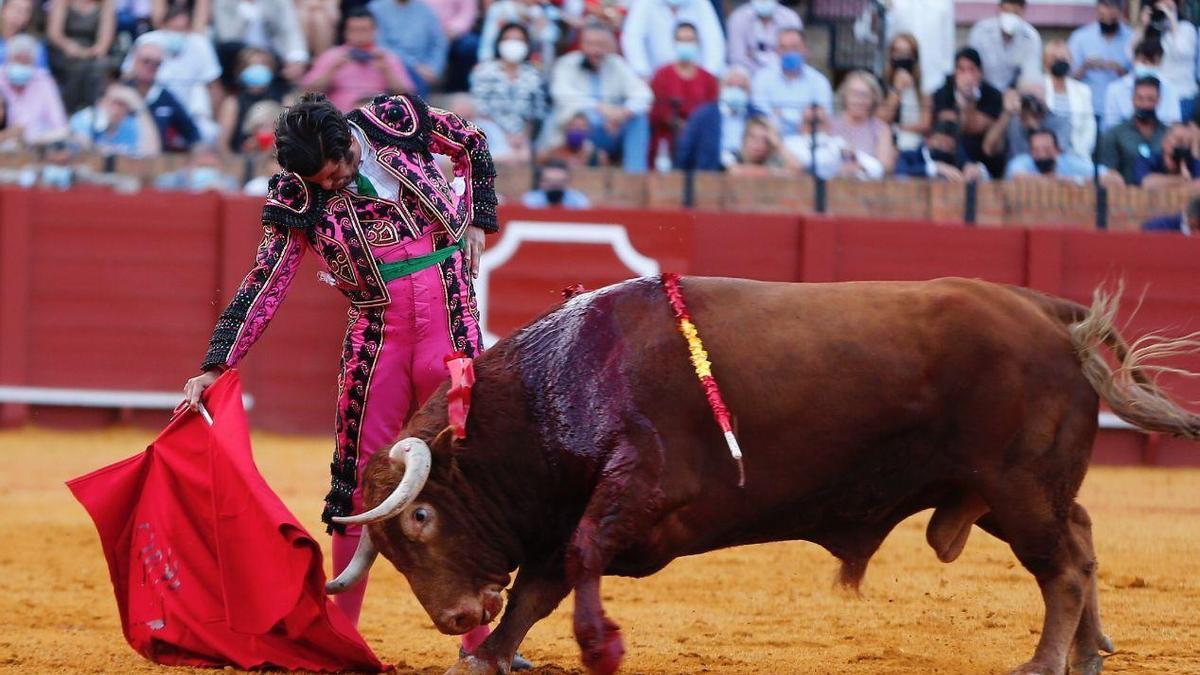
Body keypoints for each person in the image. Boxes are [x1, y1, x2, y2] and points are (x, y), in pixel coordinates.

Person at [179, 91, 535, 669]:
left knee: (469, 469)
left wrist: (478, 217)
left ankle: (483, 643)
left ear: (349, 141)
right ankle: (341, 639)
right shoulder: (298, 193)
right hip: (378, 336)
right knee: (356, 479)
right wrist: (216, 363)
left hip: (450, 313)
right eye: (318, 181)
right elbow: (266, 279)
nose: (331, 186)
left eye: (335, 171)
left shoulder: (394, 120)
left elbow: (472, 142)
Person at [548, 22, 651, 173]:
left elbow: (644, 95)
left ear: (610, 46)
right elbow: (560, 94)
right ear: (581, 44)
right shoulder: (567, 63)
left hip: (611, 129)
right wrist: (600, 108)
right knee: (571, 121)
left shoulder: (617, 64)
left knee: (639, 119)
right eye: (590, 44)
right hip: (579, 132)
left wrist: (623, 113)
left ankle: (635, 174)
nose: (595, 50)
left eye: (601, 44)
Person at [127, 5, 222, 142]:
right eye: (173, 29)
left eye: (181, 30)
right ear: (163, 26)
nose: (176, 35)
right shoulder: (147, 41)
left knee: (206, 133)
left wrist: (214, 117)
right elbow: (129, 74)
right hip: (148, 101)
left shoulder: (200, 44)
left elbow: (214, 86)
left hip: (188, 108)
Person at [302, 9, 413, 112]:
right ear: (346, 32)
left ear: (374, 31)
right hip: (340, 117)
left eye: (364, 30)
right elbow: (308, 92)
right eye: (354, 30)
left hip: (378, 115)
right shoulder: (333, 56)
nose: (359, 35)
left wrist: (388, 72)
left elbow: (408, 96)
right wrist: (332, 70)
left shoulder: (386, 57)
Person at [468, 22, 548, 162]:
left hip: (521, 136)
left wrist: (523, 136)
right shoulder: (484, 72)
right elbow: (480, 109)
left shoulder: (534, 75)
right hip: (490, 131)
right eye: (508, 39)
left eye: (519, 40)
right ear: (499, 43)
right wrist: (505, 136)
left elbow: (536, 113)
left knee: (525, 156)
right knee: (507, 156)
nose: (513, 44)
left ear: (527, 45)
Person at [648, 22, 718, 169]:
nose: (686, 44)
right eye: (681, 40)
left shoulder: (708, 79)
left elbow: (712, 112)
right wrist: (676, 123)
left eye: (690, 40)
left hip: (700, 138)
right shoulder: (662, 75)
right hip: (667, 138)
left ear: (697, 43)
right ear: (674, 43)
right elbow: (656, 110)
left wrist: (693, 127)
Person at [932, 47, 1007, 177]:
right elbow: (949, 125)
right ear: (955, 72)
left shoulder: (993, 95)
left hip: (983, 153)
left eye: (971, 70)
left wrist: (968, 101)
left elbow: (979, 127)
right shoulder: (943, 92)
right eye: (961, 70)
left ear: (980, 72)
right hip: (951, 150)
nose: (967, 76)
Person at [675, 65, 763, 171]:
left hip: (748, 177)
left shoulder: (757, 116)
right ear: (720, 88)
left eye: (741, 87)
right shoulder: (703, 116)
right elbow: (686, 152)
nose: (735, 90)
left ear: (749, 91)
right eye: (730, 86)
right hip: (709, 177)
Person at [749, 27, 833, 137]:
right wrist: (802, 117)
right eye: (783, 48)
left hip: (806, 141)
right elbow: (761, 116)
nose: (789, 53)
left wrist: (780, 115)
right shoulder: (762, 78)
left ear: (805, 50)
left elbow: (822, 118)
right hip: (770, 140)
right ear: (777, 51)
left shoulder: (819, 82)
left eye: (794, 48)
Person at [122, 40, 200, 152]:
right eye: (146, 61)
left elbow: (193, 134)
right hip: (119, 157)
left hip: (155, 161)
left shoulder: (166, 98)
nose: (151, 66)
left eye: (157, 63)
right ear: (134, 60)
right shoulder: (118, 91)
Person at [211, 0, 309, 88]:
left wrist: (296, 58)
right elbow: (226, 36)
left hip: (272, 55)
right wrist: (247, 11)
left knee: (287, 64)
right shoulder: (223, 2)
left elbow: (290, 30)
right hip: (235, 56)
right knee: (243, 54)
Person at [620, 0, 725, 78]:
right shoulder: (645, 3)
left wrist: (710, 74)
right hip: (654, 78)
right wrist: (642, 72)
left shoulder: (700, 3)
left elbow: (714, 40)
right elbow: (632, 39)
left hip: (696, 79)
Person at [1131, 0, 1196, 120]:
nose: (1164, 6)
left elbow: (1182, 51)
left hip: (1181, 95)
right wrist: (1143, 26)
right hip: (1154, 96)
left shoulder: (1186, 28)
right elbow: (1131, 54)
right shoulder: (1152, 29)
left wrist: (1172, 21)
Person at [46, 0, 116, 113]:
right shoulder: (62, 2)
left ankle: (93, 113)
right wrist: (69, 46)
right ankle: (67, 112)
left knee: (99, 66)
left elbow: (104, 42)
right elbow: (54, 34)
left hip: (91, 51)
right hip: (64, 49)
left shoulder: (106, 4)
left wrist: (88, 53)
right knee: (77, 67)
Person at [1098, 75, 1168, 184]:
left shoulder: (1168, 134)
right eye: (1140, 98)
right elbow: (1108, 172)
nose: (1144, 104)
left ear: (1158, 101)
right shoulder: (1115, 134)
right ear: (1133, 99)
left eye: (1150, 99)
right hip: (1126, 196)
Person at [0, 35, 70, 145]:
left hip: (38, 147)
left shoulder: (44, 81)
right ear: (8, 59)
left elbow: (60, 125)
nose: (21, 65)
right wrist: (8, 134)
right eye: (17, 59)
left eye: (26, 61)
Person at [368, 0, 446, 96]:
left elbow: (438, 42)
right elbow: (380, 43)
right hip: (390, 62)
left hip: (422, 66)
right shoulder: (376, 8)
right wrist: (414, 65)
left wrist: (434, 68)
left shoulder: (426, 9)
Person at [982, 82, 1071, 165]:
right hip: (1018, 173)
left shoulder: (1058, 117)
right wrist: (1007, 113)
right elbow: (989, 149)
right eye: (1028, 99)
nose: (1032, 104)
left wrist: (1034, 128)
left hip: (1049, 171)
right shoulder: (1013, 117)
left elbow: (1058, 157)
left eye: (1037, 99)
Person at [1068, 0, 1132, 113]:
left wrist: (1120, 70)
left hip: (1121, 109)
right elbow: (1068, 79)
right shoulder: (1080, 37)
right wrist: (1085, 67)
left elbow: (1140, 77)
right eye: (1105, 8)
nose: (1108, 14)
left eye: (1113, 9)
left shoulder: (1132, 38)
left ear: (1121, 11)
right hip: (1088, 108)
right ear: (1097, 9)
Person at [217, 47, 283, 155]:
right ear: (240, 71)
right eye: (250, 65)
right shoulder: (232, 103)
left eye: (262, 65)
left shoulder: (284, 100)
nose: (256, 70)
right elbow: (222, 145)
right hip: (241, 159)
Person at [1103, 39, 1181, 129]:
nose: (1148, 65)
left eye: (1153, 62)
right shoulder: (1114, 89)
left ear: (1160, 63)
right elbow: (1110, 124)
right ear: (1134, 60)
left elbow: (1173, 122)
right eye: (1144, 61)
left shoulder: (1170, 88)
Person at [69, 81, 162, 156]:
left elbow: (151, 154)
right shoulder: (87, 117)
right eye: (114, 102)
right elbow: (77, 145)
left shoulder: (131, 124)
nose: (117, 109)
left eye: (123, 104)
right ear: (101, 102)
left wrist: (139, 106)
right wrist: (101, 150)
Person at [967, 0, 1043, 91]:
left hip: (1015, 94)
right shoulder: (981, 32)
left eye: (1015, 13)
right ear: (999, 9)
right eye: (1007, 11)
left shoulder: (1030, 38)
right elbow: (971, 68)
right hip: (984, 92)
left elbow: (1030, 75)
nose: (1010, 17)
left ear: (1023, 12)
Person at [831, 69, 896, 174]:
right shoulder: (830, 124)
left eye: (864, 95)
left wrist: (860, 167)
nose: (859, 100)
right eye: (854, 94)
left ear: (873, 99)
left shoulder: (881, 129)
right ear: (845, 95)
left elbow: (885, 167)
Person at [885, 0, 955, 95]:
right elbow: (889, 38)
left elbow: (948, 39)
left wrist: (947, 73)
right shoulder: (896, 3)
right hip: (902, 76)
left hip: (935, 78)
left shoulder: (944, 2)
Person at [878, 33, 931, 153]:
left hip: (916, 146)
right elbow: (881, 120)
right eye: (898, 52)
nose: (902, 58)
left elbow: (925, 124)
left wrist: (898, 128)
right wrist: (897, 89)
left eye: (907, 53)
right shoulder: (881, 83)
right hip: (888, 146)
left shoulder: (922, 86)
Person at [1043, 39, 1096, 160]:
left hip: (1076, 153)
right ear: (1045, 63)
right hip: (1045, 155)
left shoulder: (1083, 90)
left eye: (1063, 57)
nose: (1059, 60)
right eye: (1054, 58)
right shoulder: (1038, 87)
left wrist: (1080, 152)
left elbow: (1089, 127)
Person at [724, 0, 802, 76]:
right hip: (749, 75)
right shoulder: (738, 17)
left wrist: (754, 55)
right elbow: (737, 58)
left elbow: (795, 53)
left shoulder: (790, 17)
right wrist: (763, 74)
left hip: (783, 73)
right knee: (737, 73)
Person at [895, 119, 987, 182]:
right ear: (928, 140)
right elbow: (900, 174)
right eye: (939, 142)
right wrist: (936, 168)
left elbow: (980, 171)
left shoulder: (958, 157)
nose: (943, 148)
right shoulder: (910, 156)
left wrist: (978, 170)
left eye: (948, 146)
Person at [477, 0, 558, 70]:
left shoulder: (538, 11)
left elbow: (552, 36)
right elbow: (488, 41)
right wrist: (484, 63)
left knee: (547, 48)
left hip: (528, 59)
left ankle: (542, 79)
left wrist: (539, 26)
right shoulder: (499, 8)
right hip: (501, 57)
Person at [1006, 127, 1099, 183]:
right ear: (1030, 151)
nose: (1041, 154)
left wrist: (1077, 181)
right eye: (1036, 150)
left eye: (1047, 149)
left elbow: (1108, 176)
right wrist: (1061, 181)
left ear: (1057, 150)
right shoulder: (1023, 162)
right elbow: (1017, 176)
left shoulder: (1068, 162)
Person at [1133, 122, 1200, 187]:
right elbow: (1145, 182)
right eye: (1180, 141)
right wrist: (1181, 179)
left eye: (1189, 143)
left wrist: (1195, 147)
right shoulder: (1148, 160)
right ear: (1165, 142)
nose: (1184, 146)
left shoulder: (1191, 162)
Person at [154, 142, 241, 191]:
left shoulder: (229, 183)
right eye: (202, 166)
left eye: (211, 167)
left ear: (220, 167)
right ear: (187, 166)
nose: (207, 171)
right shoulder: (168, 182)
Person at [728, 115, 796, 175]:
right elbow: (734, 170)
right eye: (753, 137)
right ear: (744, 139)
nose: (758, 144)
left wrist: (778, 145)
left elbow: (796, 172)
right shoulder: (732, 155)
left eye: (764, 140)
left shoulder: (773, 160)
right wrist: (773, 172)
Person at [521, 157, 590, 208]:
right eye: (550, 182)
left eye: (559, 182)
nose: (555, 187)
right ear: (541, 183)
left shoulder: (578, 201)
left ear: (567, 183)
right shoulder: (530, 201)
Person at [0, 0, 49, 67]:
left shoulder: (35, 45)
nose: (18, 14)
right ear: (3, 9)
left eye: (25, 11)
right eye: (14, 8)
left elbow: (42, 72)